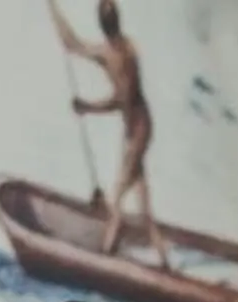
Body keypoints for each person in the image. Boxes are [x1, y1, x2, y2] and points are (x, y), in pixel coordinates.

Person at [49, 0, 170, 269]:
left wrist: (87, 107)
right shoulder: (112, 51)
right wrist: (53, 9)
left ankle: (106, 254)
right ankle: (164, 261)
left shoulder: (124, 54)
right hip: (134, 127)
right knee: (143, 201)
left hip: (138, 128)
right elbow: (72, 45)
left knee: (117, 195)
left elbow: (122, 99)